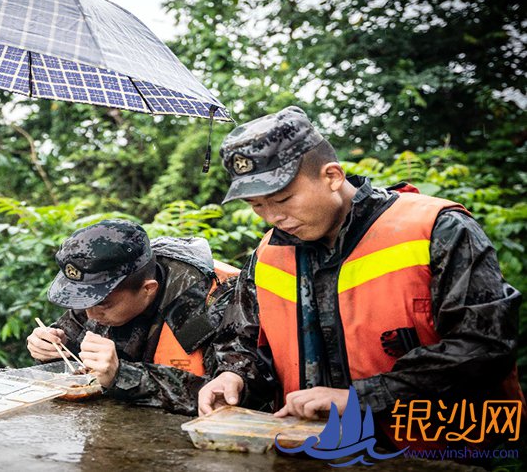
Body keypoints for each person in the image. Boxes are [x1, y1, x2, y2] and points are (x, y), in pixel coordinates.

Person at [198, 106, 523, 449]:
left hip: (432, 454)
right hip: (308, 453)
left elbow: (485, 346)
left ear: (333, 176)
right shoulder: (266, 256)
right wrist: (234, 375)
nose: (273, 216)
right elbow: (245, 342)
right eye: (256, 206)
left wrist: (359, 398)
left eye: (282, 198)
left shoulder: (439, 230)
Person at [26, 219, 240, 414]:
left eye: (102, 304)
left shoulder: (211, 307)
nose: (89, 314)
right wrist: (49, 347)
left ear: (148, 289)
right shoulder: (99, 289)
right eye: (85, 304)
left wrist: (122, 375)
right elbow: (68, 348)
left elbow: (227, 395)